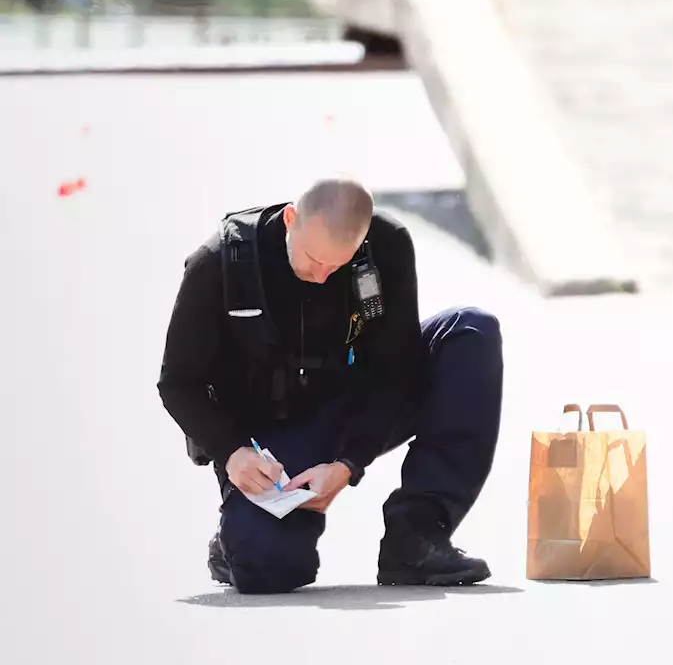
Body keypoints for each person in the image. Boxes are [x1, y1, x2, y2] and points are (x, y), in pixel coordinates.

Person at [157, 178, 504, 594]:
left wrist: (349, 464)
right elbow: (178, 382)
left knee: (471, 332)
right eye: (312, 259)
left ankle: (416, 536)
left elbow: (395, 369)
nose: (322, 277)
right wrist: (232, 452)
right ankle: (235, 543)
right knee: (268, 568)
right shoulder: (220, 263)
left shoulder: (386, 246)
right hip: (276, 433)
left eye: (336, 266)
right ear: (291, 220)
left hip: (360, 404)